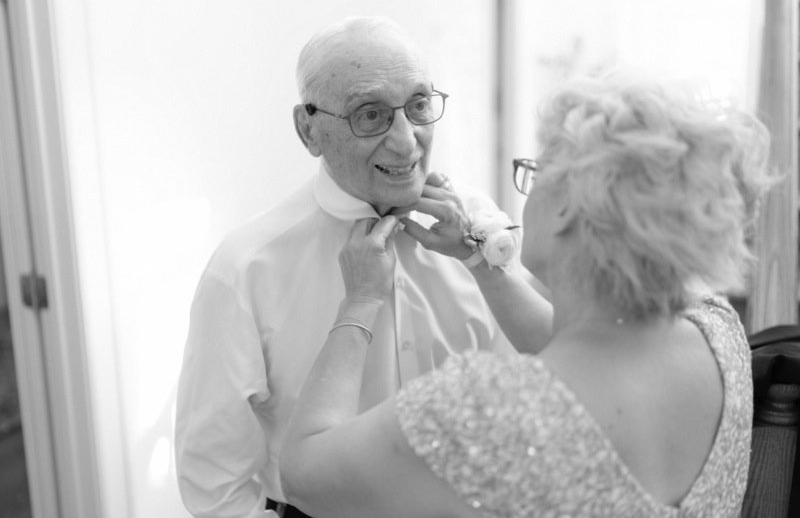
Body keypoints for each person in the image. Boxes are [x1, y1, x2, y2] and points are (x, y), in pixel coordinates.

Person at [279, 75, 775, 517]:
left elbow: (303, 472)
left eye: (537, 173)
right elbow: (578, 356)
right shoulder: (717, 330)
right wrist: (479, 260)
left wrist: (361, 301)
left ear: (566, 208)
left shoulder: (487, 412)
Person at [174, 16, 549, 518]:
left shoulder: (476, 227)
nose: (407, 141)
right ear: (308, 130)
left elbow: (539, 386)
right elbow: (213, 481)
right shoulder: (246, 269)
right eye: (370, 115)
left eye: (419, 105)